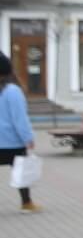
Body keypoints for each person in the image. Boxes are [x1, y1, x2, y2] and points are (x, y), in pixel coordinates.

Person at [0, 52, 41, 213]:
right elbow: (19, 119)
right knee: (21, 170)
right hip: (12, 142)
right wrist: (28, 137)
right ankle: (26, 202)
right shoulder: (12, 91)